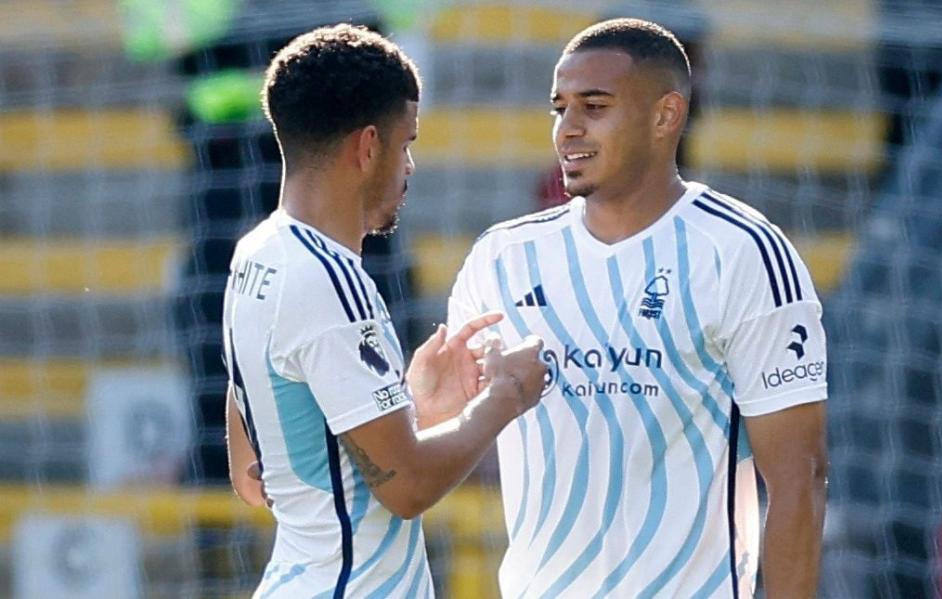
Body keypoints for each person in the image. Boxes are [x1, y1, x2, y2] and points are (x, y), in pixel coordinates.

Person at [447, 18, 828, 598]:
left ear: (665, 115)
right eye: (559, 109)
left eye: (593, 107)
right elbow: (446, 443)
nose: (567, 130)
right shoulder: (501, 259)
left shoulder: (742, 252)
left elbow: (801, 478)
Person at [221, 24, 547, 598]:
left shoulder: (257, 253)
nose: (409, 166)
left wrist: (409, 405)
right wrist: (505, 396)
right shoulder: (332, 281)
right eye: (407, 143)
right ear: (368, 146)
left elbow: (258, 470)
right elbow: (407, 486)